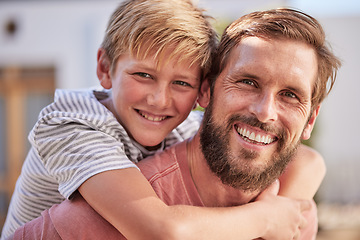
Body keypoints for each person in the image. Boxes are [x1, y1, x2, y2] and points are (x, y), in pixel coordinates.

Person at [7, 7, 340, 240]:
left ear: (199, 92)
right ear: (105, 69)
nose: (159, 100)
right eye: (248, 82)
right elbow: (161, 230)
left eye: (181, 83)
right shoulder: (69, 126)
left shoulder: (180, 126)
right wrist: (267, 219)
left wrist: (285, 210)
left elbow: (309, 160)